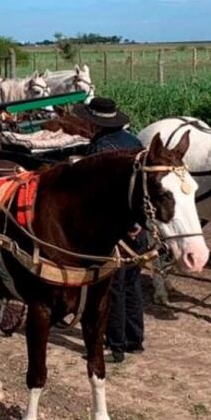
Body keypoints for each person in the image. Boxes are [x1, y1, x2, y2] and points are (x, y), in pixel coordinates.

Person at [72, 96, 147, 363]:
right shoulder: (135, 142)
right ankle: (135, 339)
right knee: (131, 282)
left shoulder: (101, 148)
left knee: (111, 284)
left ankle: (114, 344)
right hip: (138, 225)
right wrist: (139, 224)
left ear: (94, 124)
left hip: (115, 227)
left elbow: (95, 193)